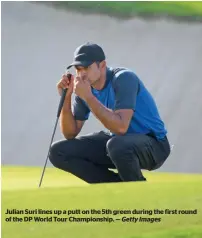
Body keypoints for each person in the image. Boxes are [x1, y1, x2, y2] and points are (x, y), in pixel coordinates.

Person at [49, 42, 171, 183]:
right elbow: (70, 133)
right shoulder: (84, 88)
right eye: (78, 69)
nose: (81, 74)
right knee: (58, 151)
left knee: (117, 145)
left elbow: (121, 127)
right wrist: (66, 97)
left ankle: (136, 189)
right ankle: (115, 187)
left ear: (102, 65)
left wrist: (88, 97)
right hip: (120, 143)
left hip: (154, 145)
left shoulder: (124, 78)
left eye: (86, 68)